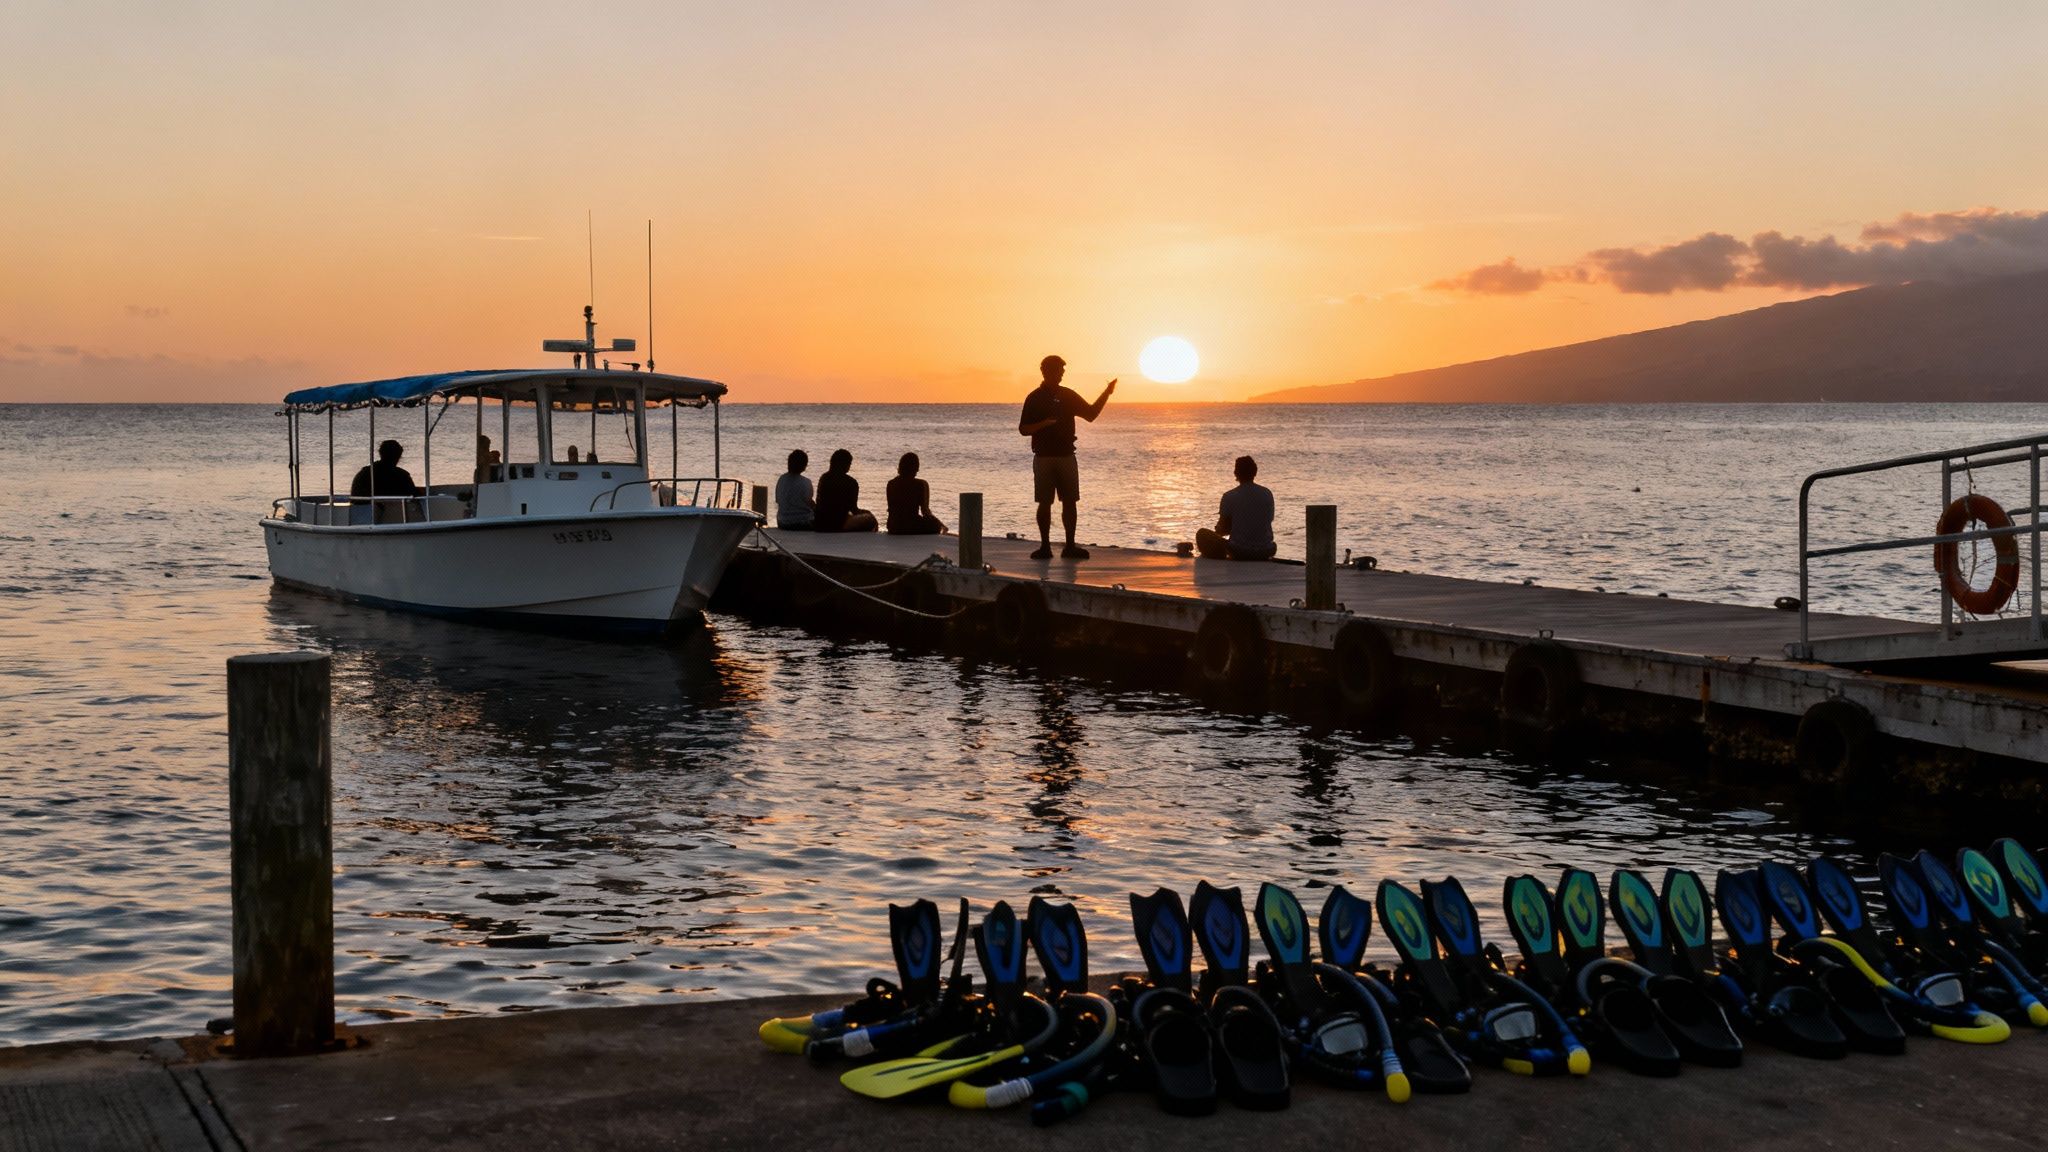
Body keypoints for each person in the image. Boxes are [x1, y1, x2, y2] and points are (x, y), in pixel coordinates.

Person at [1018, 355, 1114, 560]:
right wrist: (1044, 423)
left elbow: (1090, 414)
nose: (1062, 374)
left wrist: (1107, 393)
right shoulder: (1034, 397)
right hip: (1043, 457)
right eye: (1058, 370)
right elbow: (1023, 429)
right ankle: (1045, 547)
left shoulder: (1067, 395)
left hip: (1067, 456)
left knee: (1070, 501)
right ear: (1046, 372)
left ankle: (1070, 546)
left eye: (1062, 370)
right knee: (1044, 502)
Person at [1195, 455, 1276, 561]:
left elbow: (1224, 529)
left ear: (1236, 473)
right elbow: (1268, 520)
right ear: (1255, 472)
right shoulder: (1267, 493)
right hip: (1266, 550)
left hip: (1240, 551)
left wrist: (1216, 533)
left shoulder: (1229, 496)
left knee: (1202, 534)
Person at [350, 439, 420, 523]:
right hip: (393, 516)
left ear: (381, 453)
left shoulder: (364, 473)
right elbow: (415, 495)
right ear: (399, 456)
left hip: (359, 515)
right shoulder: (401, 476)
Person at [814, 449, 877, 533]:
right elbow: (854, 509)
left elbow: (819, 502)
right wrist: (866, 512)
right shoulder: (851, 482)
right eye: (849, 463)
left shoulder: (824, 478)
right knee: (870, 518)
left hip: (821, 523)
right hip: (838, 524)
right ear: (845, 464)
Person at [886, 452, 946, 535]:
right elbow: (925, 511)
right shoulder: (921, 484)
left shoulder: (891, 483)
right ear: (916, 468)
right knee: (934, 525)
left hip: (893, 527)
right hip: (912, 526)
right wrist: (940, 524)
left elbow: (891, 509)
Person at [776, 449, 816, 530]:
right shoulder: (806, 482)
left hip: (782, 522)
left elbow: (778, 500)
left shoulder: (781, 479)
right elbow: (810, 503)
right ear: (804, 466)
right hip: (802, 523)